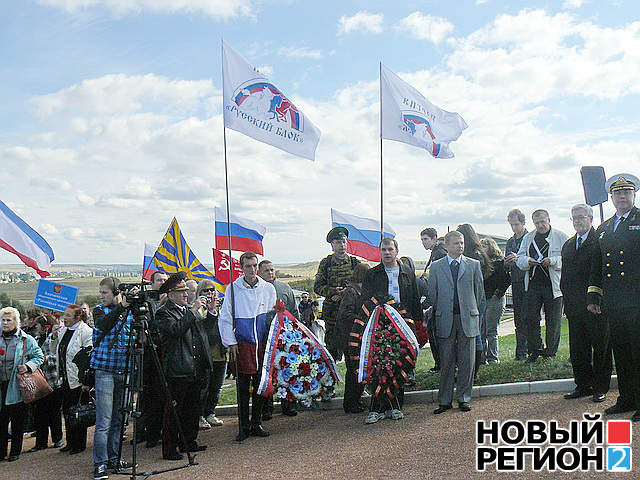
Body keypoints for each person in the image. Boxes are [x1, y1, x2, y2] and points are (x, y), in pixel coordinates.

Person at [587, 174, 640, 422]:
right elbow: (597, 264)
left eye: (626, 192)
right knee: (622, 352)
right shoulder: (604, 228)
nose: (622, 197)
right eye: (618, 194)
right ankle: (627, 398)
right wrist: (594, 296)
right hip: (615, 302)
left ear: (634, 195)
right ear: (611, 198)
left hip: (637, 300)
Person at [359, 238, 421, 423]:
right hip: (380, 325)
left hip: (403, 326)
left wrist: (418, 324)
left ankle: (395, 406)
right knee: (379, 365)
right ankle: (376, 408)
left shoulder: (407, 273)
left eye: (390, 249)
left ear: (397, 251)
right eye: (383, 249)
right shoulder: (372, 274)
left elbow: (415, 299)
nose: (387, 252)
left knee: (398, 365)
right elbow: (366, 300)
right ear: (380, 252)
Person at [219, 252, 277, 442]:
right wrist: (231, 341)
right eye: (247, 266)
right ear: (241, 268)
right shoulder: (233, 289)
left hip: (261, 343)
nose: (251, 270)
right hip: (242, 344)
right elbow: (226, 316)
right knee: (243, 386)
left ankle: (256, 422)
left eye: (254, 266)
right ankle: (243, 425)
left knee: (260, 384)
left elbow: (271, 316)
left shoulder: (267, 288)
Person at [156, 272, 211, 460]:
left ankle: (189, 441)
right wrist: (192, 311)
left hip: (194, 367)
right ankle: (170, 449)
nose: (186, 295)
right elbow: (175, 330)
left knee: (192, 409)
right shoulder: (164, 313)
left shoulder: (186, 310)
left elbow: (202, 333)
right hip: (177, 370)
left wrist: (208, 311)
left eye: (186, 291)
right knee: (174, 411)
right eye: (181, 292)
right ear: (171, 295)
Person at [429, 231, 485, 414]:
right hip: (445, 319)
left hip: (467, 319)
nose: (460, 246)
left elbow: (479, 294)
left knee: (467, 361)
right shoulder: (436, 267)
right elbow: (432, 295)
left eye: (461, 243)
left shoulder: (474, 265)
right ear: (446, 245)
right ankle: (444, 400)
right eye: (455, 243)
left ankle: (464, 398)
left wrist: (476, 316)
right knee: (446, 361)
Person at [561, 204, 612, 403]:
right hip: (574, 306)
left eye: (582, 217)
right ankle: (583, 384)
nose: (578, 221)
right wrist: (566, 302)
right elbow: (565, 277)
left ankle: (600, 387)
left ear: (591, 219)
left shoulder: (599, 241)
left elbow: (600, 273)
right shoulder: (568, 244)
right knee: (578, 349)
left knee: (600, 347)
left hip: (595, 305)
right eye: (574, 218)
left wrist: (597, 298)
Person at [91, 277, 135, 480]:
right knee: (104, 421)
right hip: (105, 372)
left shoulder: (130, 312)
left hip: (123, 371)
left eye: (105, 293)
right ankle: (100, 463)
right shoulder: (99, 311)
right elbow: (104, 325)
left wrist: (129, 305)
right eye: (101, 293)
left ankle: (114, 459)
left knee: (119, 419)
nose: (101, 296)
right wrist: (122, 308)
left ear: (116, 293)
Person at [516, 210, 568, 362]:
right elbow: (520, 258)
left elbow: (568, 258)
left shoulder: (561, 237)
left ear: (549, 219)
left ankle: (550, 352)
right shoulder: (528, 238)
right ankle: (535, 349)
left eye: (543, 222)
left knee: (553, 320)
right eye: (537, 223)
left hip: (554, 286)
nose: (540, 225)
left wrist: (552, 261)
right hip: (533, 285)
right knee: (530, 319)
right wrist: (528, 261)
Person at [0, 306, 44, 462]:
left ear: (16, 321)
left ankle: (15, 451)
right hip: (1, 386)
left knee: (17, 420)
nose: (5, 323)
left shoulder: (26, 339)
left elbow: (40, 356)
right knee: (1, 420)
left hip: (17, 386)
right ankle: (1, 451)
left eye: (8, 320)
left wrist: (27, 366)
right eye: (3, 320)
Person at [258, 259, 299, 418]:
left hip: (285, 339)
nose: (270, 273)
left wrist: (295, 331)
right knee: (267, 373)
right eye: (266, 270)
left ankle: (288, 404)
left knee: (287, 371)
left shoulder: (284, 288)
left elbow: (294, 312)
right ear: (259, 273)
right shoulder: (258, 290)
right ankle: (266, 408)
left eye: (272, 270)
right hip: (265, 338)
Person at [51, 304, 93, 454]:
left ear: (77, 317)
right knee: (68, 410)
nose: (65, 318)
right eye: (65, 315)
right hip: (64, 378)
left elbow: (88, 356)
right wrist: (54, 337)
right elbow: (55, 350)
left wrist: (86, 381)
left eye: (68, 315)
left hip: (78, 380)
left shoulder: (86, 332)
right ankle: (70, 442)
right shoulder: (63, 331)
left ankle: (79, 444)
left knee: (78, 412)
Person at [314, 226, 361, 361]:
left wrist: (348, 292)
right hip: (332, 314)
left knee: (352, 350)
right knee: (332, 351)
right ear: (332, 245)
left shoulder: (354, 263)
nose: (342, 245)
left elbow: (363, 285)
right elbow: (317, 287)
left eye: (344, 241)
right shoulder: (326, 263)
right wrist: (333, 292)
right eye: (338, 242)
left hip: (350, 313)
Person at [457, 224, 491, 376]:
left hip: (474, 299)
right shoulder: (477, 253)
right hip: (472, 297)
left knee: (474, 333)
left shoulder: (474, 255)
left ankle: (474, 370)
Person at [336, 262, 370, 413]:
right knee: (352, 370)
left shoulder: (359, 289)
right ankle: (350, 403)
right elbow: (345, 314)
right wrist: (362, 319)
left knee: (359, 369)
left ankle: (355, 401)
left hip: (357, 336)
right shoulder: (352, 291)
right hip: (350, 337)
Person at [31, 312, 64, 451]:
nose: (36, 327)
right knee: (40, 413)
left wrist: (44, 359)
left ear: (44, 326)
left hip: (53, 380)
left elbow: (56, 357)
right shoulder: (36, 339)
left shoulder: (53, 338)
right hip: (39, 381)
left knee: (54, 413)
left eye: (38, 325)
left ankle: (58, 439)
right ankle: (41, 442)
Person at [196, 279, 226, 430]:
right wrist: (210, 311)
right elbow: (206, 329)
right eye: (205, 291)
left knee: (216, 386)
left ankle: (210, 413)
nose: (209, 293)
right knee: (204, 387)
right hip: (205, 355)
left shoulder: (221, 308)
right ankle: (199, 415)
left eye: (212, 290)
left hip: (220, 353)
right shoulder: (198, 309)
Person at [480, 238, 511, 364]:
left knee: (491, 330)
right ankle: (481, 358)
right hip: (483, 299)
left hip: (494, 299)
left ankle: (493, 358)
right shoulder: (481, 263)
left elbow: (506, 279)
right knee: (481, 330)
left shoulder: (499, 263)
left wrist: (498, 293)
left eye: (485, 245)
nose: (482, 248)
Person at [504, 209, 529, 360]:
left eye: (516, 224)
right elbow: (506, 264)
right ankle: (520, 352)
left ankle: (530, 349)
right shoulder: (510, 241)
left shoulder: (530, 238)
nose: (514, 228)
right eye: (512, 225)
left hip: (529, 281)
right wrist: (507, 262)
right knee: (518, 318)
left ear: (523, 223)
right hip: (516, 281)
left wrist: (518, 258)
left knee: (529, 317)